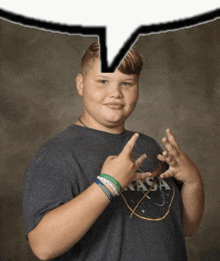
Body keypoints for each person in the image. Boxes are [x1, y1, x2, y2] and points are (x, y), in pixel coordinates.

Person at [22, 42, 204, 261]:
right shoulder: (57, 154)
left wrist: (193, 180)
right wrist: (108, 184)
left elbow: (187, 226)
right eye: (103, 81)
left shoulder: (149, 147)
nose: (115, 93)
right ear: (80, 85)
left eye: (126, 83)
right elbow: (43, 246)